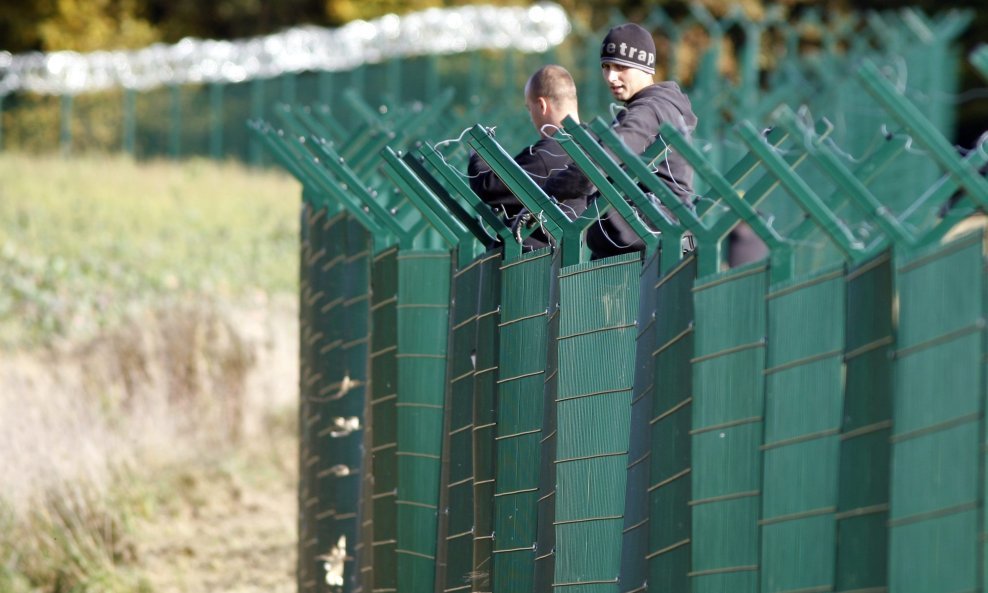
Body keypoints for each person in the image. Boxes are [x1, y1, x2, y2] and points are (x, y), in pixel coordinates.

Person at [542, 23, 698, 259]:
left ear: (646, 67)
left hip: (649, 256)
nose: (611, 77)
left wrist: (545, 194)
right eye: (606, 66)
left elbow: (594, 170)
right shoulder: (660, 107)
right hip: (659, 247)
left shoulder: (647, 113)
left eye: (621, 67)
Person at [468, 64, 582, 247]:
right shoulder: (595, 145)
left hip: (537, 266)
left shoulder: (548, 154)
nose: (531, 117)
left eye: (530, 108)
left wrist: (477, 153)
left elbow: (489, 186)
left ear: (542, 105)